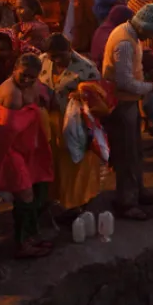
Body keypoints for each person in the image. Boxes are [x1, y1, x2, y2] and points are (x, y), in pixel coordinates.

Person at [0, 53, 55, 258]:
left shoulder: (32, 86)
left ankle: (31, 236)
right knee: (25, 193)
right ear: (14, 70)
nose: (27, 80)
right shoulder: (11, 93)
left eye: (32, 76)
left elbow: (41, 98)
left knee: (38, 186)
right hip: (9, 149)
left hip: (25, 145)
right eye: (24, 75)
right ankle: (22, 244)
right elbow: (7, 130)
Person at [102, 4, 153, 220]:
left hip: (130, 103)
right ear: (144, 27)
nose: (152, 37)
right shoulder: (124, 42)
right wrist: (152, 87)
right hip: (121, 104)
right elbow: (124, 82)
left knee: (135, 152)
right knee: (126, 155)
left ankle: (138, 191)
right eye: (152, 33)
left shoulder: (131, 36)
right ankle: (126, 202)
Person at [40, 34, 104, 214]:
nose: (56, 60)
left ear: (69, 50)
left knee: (75, 164)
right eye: (53, 56)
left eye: (60, 55)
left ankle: (77, 202)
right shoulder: (42, 61)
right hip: (49, 123)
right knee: (53, 163)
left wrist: (82, 97)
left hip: (75, 124)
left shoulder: (87, 69)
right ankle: (53, 198)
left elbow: (98, 99)